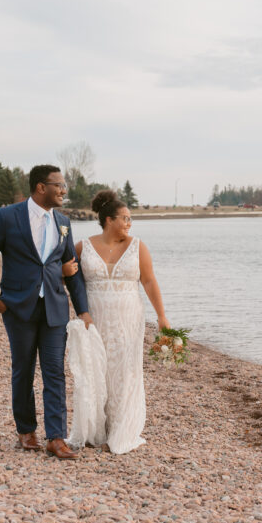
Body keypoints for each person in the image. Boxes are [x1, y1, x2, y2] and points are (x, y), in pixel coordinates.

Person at [0, 164, 93, 460]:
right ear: (42, 187)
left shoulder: (63, 221)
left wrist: (83, 310)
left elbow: (72, 270)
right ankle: (26, 430)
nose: (64, 190)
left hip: (55, 308)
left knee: (55, 372)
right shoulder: (7, 217)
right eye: (59, 185)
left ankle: (56, 438)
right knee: (23, 369)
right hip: (18, 308)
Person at [72, 190, 170, 454]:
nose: (129, 223)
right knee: (97, 370)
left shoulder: (138, 246)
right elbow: (69, 281)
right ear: (108, 220)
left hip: (128, 319)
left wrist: (162, 317)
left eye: (131, 219)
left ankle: (121, 432)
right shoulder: (83, 246)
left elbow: (149, 282)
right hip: (94, 319)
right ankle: (97, 429)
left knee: (125, 372)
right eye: (124, 218)